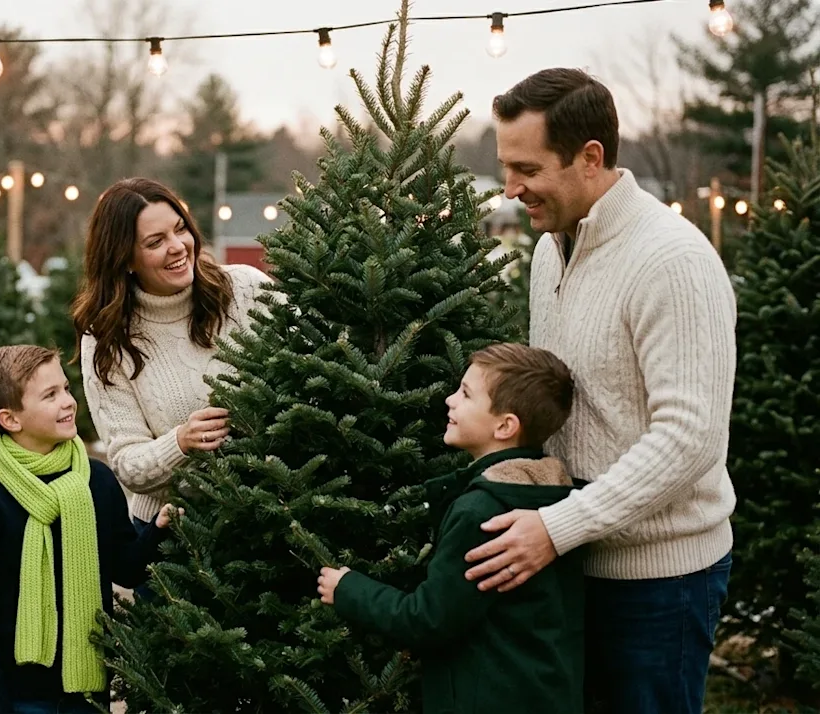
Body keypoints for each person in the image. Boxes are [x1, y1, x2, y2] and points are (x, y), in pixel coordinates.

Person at [463, 68, 737, 714]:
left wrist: (557, 528)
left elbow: (689, 438)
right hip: (570, 566)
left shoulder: (673, 261)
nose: (510, 190)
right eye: (505, 167)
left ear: (590, 158)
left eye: (526, 168)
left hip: (658, 583)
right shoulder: (546, 253)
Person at [318, 343, 584, 714]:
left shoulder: (483, 510)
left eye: (465, 394)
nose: (450, 400)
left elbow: (428, 619)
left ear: (505, 426)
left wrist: (348, 589)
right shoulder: (556, 497)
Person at [0, 345, 178, 714]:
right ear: (10, 419)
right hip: (19, 697)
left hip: (88, 690)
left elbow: (125, 567)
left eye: (66, 389)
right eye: (50, 395)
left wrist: (158, 529)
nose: (68, 402)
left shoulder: (96, 480)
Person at [73, 177, 273, 532]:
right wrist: (181, 442)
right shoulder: (106, 338)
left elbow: (316, 356)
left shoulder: (245, 289)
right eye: (155, 242)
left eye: (180, 229)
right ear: (125, 259)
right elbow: (127, 463)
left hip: (271, 516)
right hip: (174, 535)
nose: (178, 246)